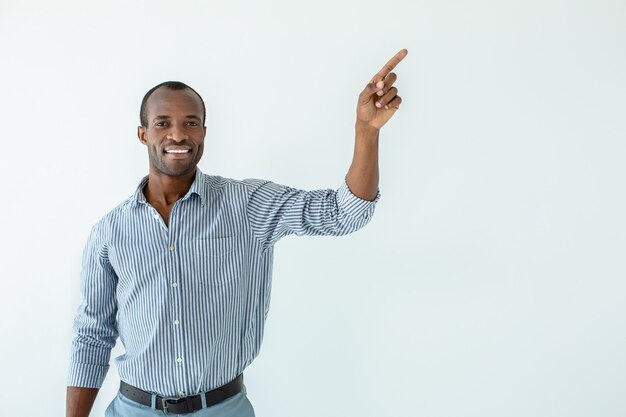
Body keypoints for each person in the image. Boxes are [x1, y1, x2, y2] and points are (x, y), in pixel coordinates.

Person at [66, 48, 408, 417]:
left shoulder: (247, 205)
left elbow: (345, 213)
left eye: (191, 122)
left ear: (204, 132)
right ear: (142, 133)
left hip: (223, 408)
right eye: (163, 123)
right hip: (134, 409)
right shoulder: (110, 232)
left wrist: (366, 130)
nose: (178, 134)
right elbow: (92, 335)